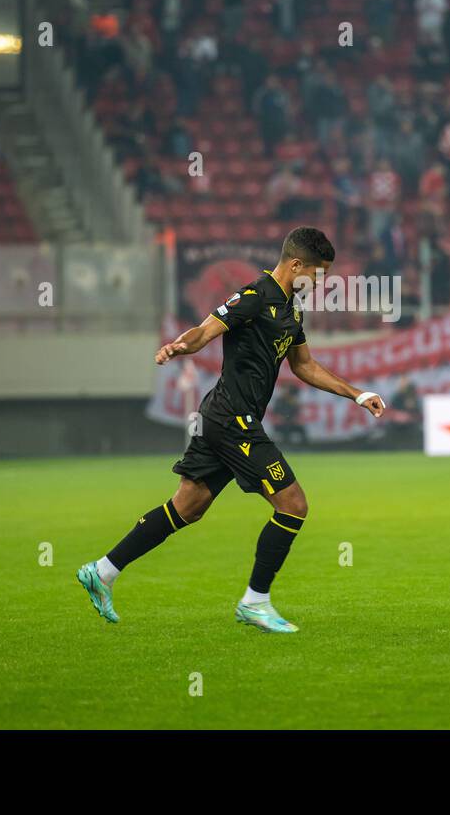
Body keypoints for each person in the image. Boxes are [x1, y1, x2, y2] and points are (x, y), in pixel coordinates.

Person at [77, 228, 386, 633]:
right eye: (317, 274)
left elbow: (304, 366)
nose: (320, 282)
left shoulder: (292, 311)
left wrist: (356, 394)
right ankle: (255, 602)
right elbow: (206, 330)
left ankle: (102, 571)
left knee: (187, 507)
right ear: (296, 265)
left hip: (223, 418)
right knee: (293, 505)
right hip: (232, 419)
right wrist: (179, 346)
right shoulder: (255, 296)